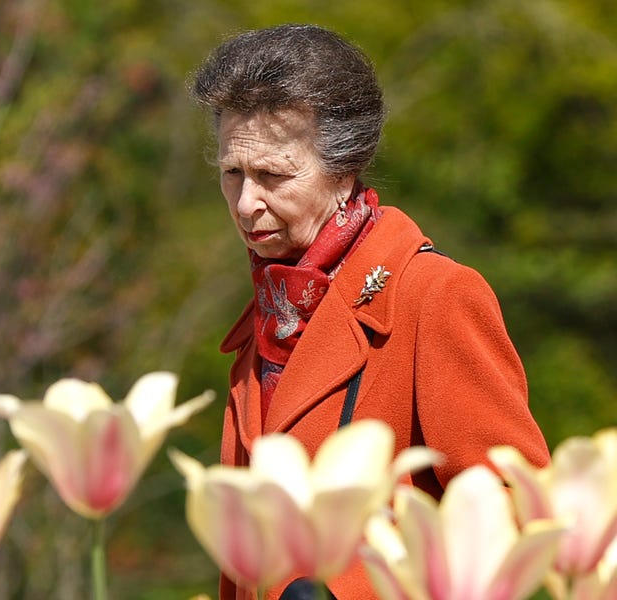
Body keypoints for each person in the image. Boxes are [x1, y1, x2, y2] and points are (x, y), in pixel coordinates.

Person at [191, 24, 550, 599]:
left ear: (345, 169)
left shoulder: (435, 295)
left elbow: (512, 509)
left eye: (272, 175)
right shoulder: (266, 320)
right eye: (232, 173)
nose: (246, 202)